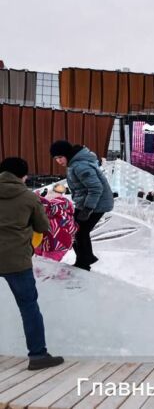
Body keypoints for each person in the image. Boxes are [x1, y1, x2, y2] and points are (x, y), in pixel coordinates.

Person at [0, 157, 64, 370]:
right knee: (28, 307)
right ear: (23, 176)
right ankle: (38, 356)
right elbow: (43, 226)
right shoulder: (28, 197)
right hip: (16, 260)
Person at [50, 141, 114, 271]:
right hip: (87, 202)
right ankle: (86, 258)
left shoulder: (80, 166)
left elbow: (96, 188)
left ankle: (83, 262)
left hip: (97, 204)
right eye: (56, 158)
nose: (58, 161)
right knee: (76, 231)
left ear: (67, 154)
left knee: (78, 231)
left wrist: (87, 209)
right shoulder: (75, 164)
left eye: (60, 157)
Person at [34, 183, 77, 262]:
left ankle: (52, 273)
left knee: (47, 265)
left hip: (55, 244)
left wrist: (37, 198)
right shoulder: (65, 210)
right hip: (56, 243)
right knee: (41, 262)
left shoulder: (52, 209)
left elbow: (47, 207)